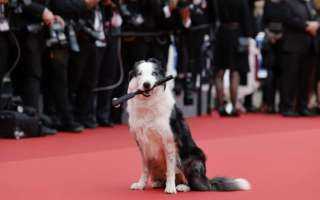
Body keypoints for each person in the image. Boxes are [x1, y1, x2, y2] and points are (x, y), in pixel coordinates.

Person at [68, 0, 108, 129]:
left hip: (93, 39)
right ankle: (70, 116)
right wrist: (86, 4)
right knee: (75, 78)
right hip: (79, 37)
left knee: (90, 80)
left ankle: (83, 115)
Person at [209, 0, 252, 117]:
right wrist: (248, 36)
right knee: (235, 72)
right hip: (237, 35)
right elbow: (246, 19)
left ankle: (220, 107)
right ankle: (233, 107)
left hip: (221, 35)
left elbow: (211, 17)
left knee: (219, 72)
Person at [280, 0, 319, 116]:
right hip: (293, 46)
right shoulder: (288, 3)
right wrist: (306, 26)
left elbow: (316, 16)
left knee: (306, 78)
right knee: (290, 77)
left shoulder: (309, 3)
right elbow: (288, 19)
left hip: (309, 46)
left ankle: (302, 106)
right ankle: (287, 106)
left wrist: (316, 24)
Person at [261, 0, 286, 113]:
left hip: (284, 43)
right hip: (269, 44)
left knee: (282, 74)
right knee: (269, 74)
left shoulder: (286, 4)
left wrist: (281, 34)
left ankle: (282, 104)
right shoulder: (268, 4)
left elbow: (288, 20)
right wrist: (269, 34)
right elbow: (263, 22)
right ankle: (269, 103)